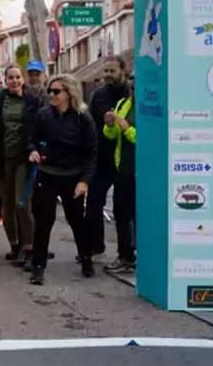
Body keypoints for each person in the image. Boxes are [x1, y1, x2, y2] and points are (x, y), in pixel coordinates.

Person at [28, 74, 98, 285]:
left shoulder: (83, 118)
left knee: (76, 219)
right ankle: (38, 266)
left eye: (56, 91)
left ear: (69, 93)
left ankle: (86, 258)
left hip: (72, 176)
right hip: (47, 173)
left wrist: (85, 180)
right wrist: (32, 151)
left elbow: (92, 152)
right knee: (43, 221)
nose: (52, 95)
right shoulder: (43, 115)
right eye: (50, 91)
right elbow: (31, 139)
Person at [0, 64, 41, 268]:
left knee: (22, 204)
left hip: (24, 158)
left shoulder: (32, 101)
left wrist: (35, 149)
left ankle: (30, 248)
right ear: (5, 80)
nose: (14, 81)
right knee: (7, 208)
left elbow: (38, 128)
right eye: (10, 77)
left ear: (22, 79)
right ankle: (15, 246)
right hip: (4, 159)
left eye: (17, 77)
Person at [88, 56, 129, 260]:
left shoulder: (132, 94)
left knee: (123, 210)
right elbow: (90, 125)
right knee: (93, 203)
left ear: (123, 71)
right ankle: (96, 248)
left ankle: (126, 254)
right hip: (102, 159)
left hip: (125, 160)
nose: (108, 75)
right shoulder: (97, 95)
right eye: (105, 71)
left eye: (112, 71)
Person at [103, 72, 136, 274]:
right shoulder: (123, 103)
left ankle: (140, 255)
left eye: (136, 86)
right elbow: (112, 135)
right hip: (122, 167)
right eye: (131, 86)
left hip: (143, 169)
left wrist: (127, 129)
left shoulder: (151, 107)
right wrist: (109, 125)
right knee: (120, 214)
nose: (133, 89)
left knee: (138, 216)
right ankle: (125, 256)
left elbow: (148, 138)